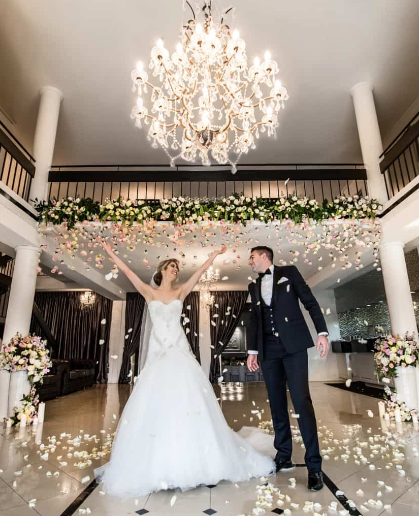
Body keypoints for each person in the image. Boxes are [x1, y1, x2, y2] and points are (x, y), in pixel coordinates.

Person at [94, 241, 274, 498]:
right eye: (172, 267)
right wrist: (111, 251)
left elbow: (199, 274)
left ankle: (197, 456)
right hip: (159, 353)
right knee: (155, 401)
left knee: (188, 398)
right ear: (162, 271)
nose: (176, 270)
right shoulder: (149, 292)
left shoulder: (180, 293)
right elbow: (129, 273)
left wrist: (212, 256)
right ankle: (156, 458)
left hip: (178, 350)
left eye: (177, 267)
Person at [247, 246, 329, 492]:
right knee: (276, 403)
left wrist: (322, 332)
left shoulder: (289, 273)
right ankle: (283, 455)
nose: (248, 261)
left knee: (302, 402)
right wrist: (252, 351)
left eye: (251, 257)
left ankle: (314, 466)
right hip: (268, 350)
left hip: (293, 347)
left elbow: (310, 302)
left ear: (264, 256)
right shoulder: (253, 286)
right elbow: (253, 320)